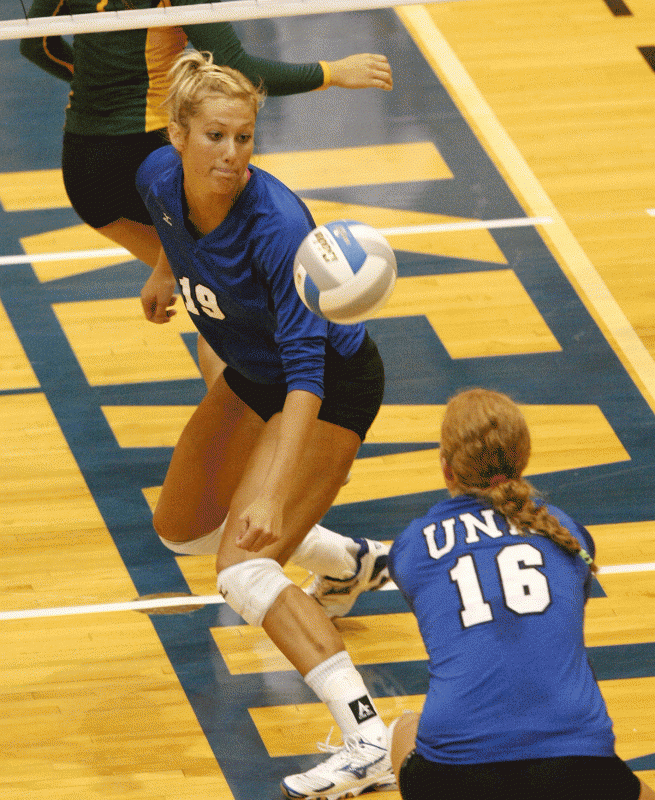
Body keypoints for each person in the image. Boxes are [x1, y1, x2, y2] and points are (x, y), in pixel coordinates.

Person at [135, 50, 395, 799]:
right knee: (182, 528)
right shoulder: (156, 178)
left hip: (327, 383)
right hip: (256, 369)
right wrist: (164, 269)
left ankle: (369, 741)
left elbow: (307, 371)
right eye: (215, 136)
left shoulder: (277, 225)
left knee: (245, 569)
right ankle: (347, 562)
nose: (232, 154)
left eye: (244, 137)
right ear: (178, 136)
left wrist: (274, 496)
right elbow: (170, 227)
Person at [20, 0, 392, 386]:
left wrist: (98, 81)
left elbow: (34, 45)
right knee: (228, 308)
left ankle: (243, 407)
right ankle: (300, 396)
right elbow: (237, 68)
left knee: (212, 300)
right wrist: (332, 72)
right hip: (151, 153)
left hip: (85, 170)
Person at [387, 388, 655, 800]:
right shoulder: (565, 531)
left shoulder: (411, 546)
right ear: (523, 458)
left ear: (446, 468)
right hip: (576, 765)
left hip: (454, 773)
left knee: (404, 727)